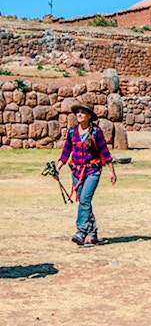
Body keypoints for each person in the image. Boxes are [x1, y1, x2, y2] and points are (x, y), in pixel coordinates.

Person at [55, 100, 117, 246]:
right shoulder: (72, 132)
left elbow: (105, 152)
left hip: (92, 171)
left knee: (85, 200)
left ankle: (81, 231)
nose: (80, 114)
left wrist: (112, 172)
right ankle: (92, 233)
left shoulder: (96, 132)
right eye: (78, 112)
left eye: (83, 112)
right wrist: (57, 168)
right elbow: (66, 152)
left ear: (89, 115)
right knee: (84, 202)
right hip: (76, 171)